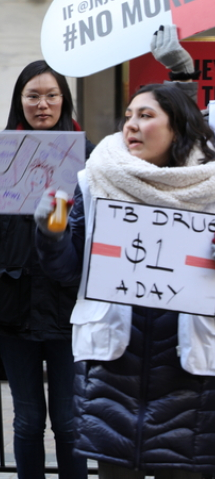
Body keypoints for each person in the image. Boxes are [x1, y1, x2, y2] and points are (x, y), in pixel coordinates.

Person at [34, 82, 215, 479]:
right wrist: (50, 235)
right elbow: (66, 272)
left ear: (179, 127)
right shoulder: (95, 182)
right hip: (113, 365)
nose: (131, 125)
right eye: (129, 115)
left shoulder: (211, 190)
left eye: (146, 116)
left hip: (188, 369)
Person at [0, 61, 90, 479]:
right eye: (33, 96)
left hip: (69, 309)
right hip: (13, 306)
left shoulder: (88, 157)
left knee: (70, 422)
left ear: (64, 100)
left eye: (51, 95)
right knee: (27, 421)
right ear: (19, 101)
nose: (42, 105)